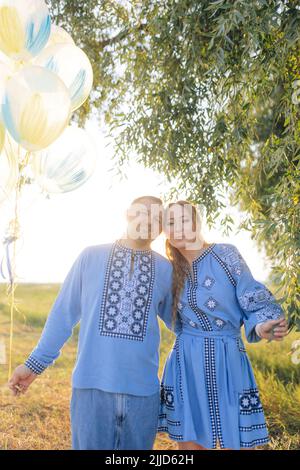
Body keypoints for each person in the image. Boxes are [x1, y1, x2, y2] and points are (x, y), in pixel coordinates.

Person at [8, 195, 179, 450]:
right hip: (90, 390)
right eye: (143, 212)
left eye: (157, 217)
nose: (149, 220)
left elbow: (185, 324)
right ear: (128, 214)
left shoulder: (166, 270)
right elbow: (62, 315)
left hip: (143, 394)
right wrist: (34, 365)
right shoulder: (91, 257)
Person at [158, 200, 289, 450]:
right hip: (186, 363)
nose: (178, 228)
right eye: (170, 223)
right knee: (190, 447)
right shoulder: (168, 269)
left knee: (235, 443)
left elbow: (251, 295)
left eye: (184, 220)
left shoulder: (226, 255)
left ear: (196, 223)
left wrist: (261, 326)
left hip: (228, 359)